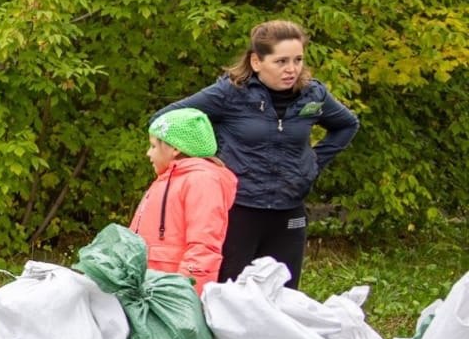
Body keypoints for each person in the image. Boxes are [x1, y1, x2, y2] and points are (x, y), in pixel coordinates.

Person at [155, 20, 358, 286]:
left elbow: (347, 124)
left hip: (289, 210)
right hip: (239, 209)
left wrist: (312, 164)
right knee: (229, 297)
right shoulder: (230, 93)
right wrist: (206, 164)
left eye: (298, 60)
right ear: (256, 61)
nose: (292, 69)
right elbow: (167, 119)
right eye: (281, 61)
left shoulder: (313, 95)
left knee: (283, 299)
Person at [129, 108, 239, 294]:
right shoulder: (167, 179)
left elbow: (204, 246)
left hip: (170, 294)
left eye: (154, 146)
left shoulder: (201, 181)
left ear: (175, 148)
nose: (148, 153)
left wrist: (183, 293)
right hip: (149, 288)